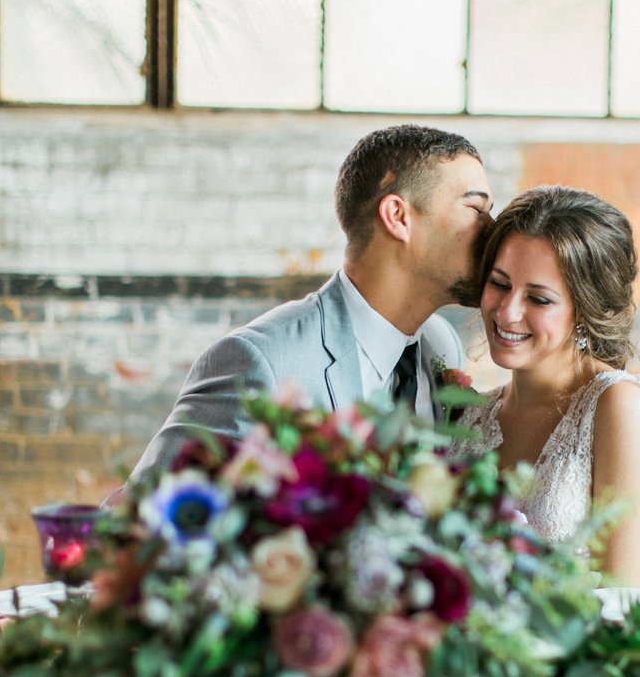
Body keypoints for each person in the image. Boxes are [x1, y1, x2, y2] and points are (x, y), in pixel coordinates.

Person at [130, 124, 493, 482]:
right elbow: (140, 521)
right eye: (477, 209)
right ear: (398, 217)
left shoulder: (440, 345)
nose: (493, 229)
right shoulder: (261, 365)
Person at [453, 184, 640, 587]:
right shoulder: (469, 413)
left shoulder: (616, 406)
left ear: (584, 311)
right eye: (500, 284)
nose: (507, 312)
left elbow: (630, 597)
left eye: (538, 299)